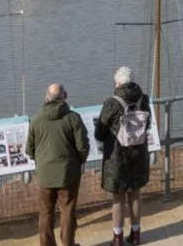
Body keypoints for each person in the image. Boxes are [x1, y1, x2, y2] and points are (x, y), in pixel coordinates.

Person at [95, 66, 155, 245]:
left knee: (118, 197)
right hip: (138, 154)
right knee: (135, 193)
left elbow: (99, 132)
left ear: (118, 83)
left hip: (117, 157)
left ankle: (117, 238)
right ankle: (136, 235)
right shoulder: (143, 99)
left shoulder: (111, 102)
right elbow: (148, 123)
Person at [26, 82, 90, 246]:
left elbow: (29, 149)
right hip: (68, 174)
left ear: (46, 97)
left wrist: (41, 162)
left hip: (45, 175)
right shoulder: (73, 118)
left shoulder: (36, 119)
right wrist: (79, 161)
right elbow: (83, 146)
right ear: (65, 96)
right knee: (67, 211)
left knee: (45, 213)